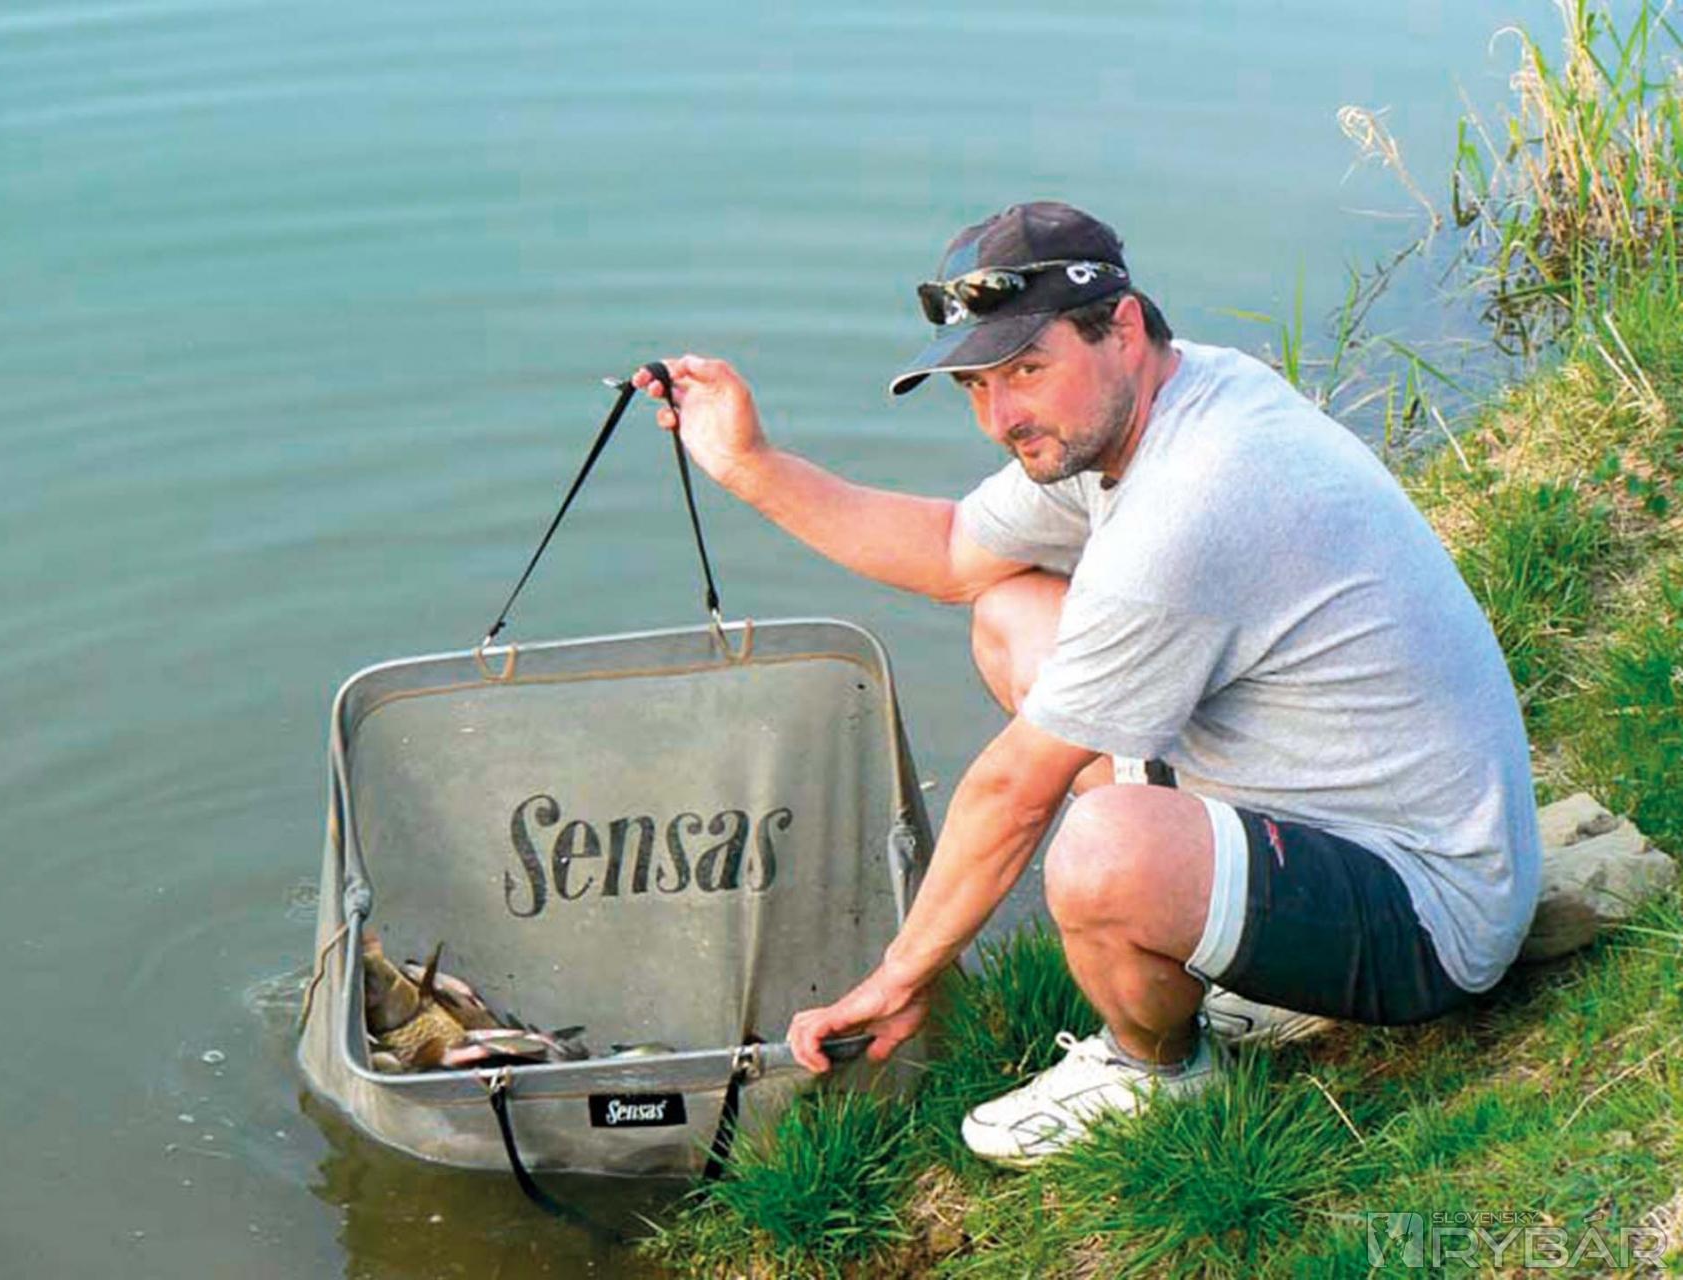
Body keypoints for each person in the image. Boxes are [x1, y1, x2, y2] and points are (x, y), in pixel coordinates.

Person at [634, 200, 1540, 1167]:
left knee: (1101, 852)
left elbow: (1013, 792)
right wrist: (748, 465)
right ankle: (1218, 942)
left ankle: (1160, 1067)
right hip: (1330, 820)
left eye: (1025, 369)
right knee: (1011, 616)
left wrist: (899, 977)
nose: (1001, 418)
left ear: (1123, 327)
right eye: (976, 385)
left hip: (1426, 916)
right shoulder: (1167, 398)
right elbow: (952, 551)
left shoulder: (1193, 502)